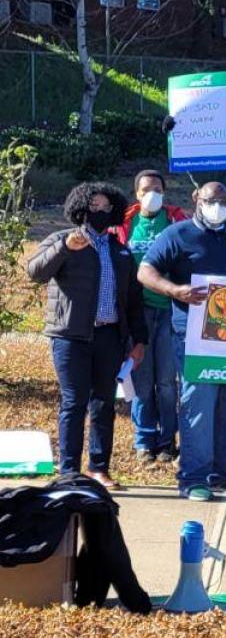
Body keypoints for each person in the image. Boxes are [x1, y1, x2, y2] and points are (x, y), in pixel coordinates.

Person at [138, 182, 226, 501]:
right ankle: (193, 477)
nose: (218, 205)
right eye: (211, 200)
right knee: (198, 406)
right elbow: (145, 272)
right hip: (193, 337)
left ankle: (221, 475)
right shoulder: (177, 235)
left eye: (224, 201)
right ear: (196, 200)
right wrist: (175, 290)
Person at [27, 183, 147, 490]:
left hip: (109, 336)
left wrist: (139, 340)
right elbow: (35, 272)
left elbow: (133, 299)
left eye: (106, 208)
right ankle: (69, 471)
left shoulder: (120, 250)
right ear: (80, 208)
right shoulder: (62, 240)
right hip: (71, 336)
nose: (100, 212)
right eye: (94, 207)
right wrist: (65, 247)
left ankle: (98, 469)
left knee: (103, 403)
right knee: (74, 401)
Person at [108, 170, 186, 465]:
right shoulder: (124, 225)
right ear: (136, 194)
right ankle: (143, 440)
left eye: (157, 188)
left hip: (169, 310)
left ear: (164, 192)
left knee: (166, 381)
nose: (151, 193)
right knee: (141, 379)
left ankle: (167, 440)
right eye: (145, 189)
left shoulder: (178, 222)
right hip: (136, 314)